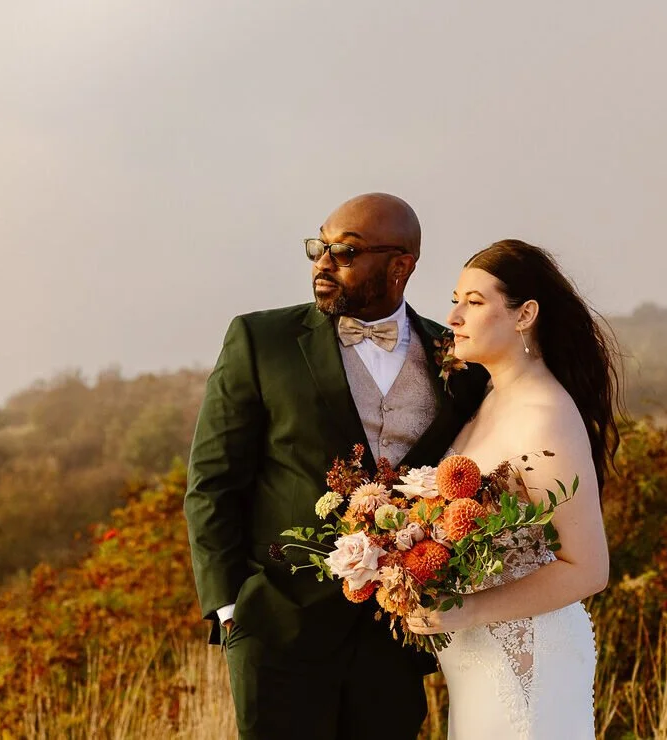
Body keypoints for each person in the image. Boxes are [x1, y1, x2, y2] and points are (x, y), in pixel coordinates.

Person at [184, 193, 489, 739]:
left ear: (400, 266)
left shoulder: (460, 360)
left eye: (344, 253)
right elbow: (213, 483)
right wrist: (231, 608)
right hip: (279, 627)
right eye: (318, 247)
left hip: (393, 636)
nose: (322, 264)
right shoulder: (262, 340)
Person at [403, 240, 615, 739]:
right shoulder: (489, 397)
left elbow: (589, 568)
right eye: (455, 299)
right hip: (475, 656)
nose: (453, 316)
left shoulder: (544, 415)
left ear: (525, 315)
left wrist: (467, 609)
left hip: (525, 659)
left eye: (474, 302)